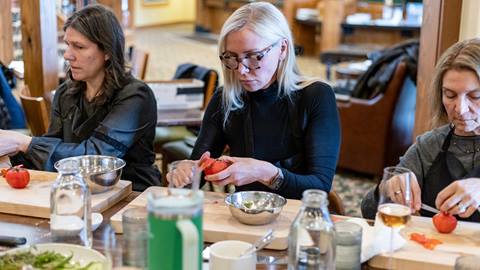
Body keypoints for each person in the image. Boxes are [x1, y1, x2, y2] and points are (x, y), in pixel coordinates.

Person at [167, 2, 340, 199]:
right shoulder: (226, 99)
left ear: (282, 49)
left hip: (296, 217)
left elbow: (320, 186)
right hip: (243, 215)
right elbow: (197, 174)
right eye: (232, 57)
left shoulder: (316, 96)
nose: (241, 70)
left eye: (254, 56)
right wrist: (186, 173)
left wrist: (265, 173)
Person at [0, 5, 160, 191]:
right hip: (82, 190)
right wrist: (10, 156)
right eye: (68, 44)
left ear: (107, 51)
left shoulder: (136, 96)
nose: (68, 55)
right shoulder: (65, 93)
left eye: (79, 46)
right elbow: (52, 154)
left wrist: (24, 143)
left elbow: (97, 159)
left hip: (133, 195)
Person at [362, 38, 480, 222]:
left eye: (475, 96)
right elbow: (368, 211)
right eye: (450, 95)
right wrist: (385, 190)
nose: (460, 108)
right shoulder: (430, 145)